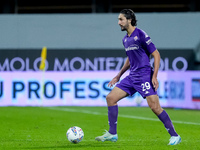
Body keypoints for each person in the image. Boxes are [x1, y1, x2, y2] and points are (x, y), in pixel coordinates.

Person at [95, 9, 181, 145]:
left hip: (144, 76)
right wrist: (118, 76)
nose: (118, 23)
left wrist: (155, 76)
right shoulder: (125, 39)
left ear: (129, 20)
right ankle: (112, 133)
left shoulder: (140, 34)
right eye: (118, 20)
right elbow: (129, 59)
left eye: (121, 19)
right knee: (111, 98)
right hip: (132, 77)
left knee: (155, 107)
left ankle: (175, 135)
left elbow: (156, 54)